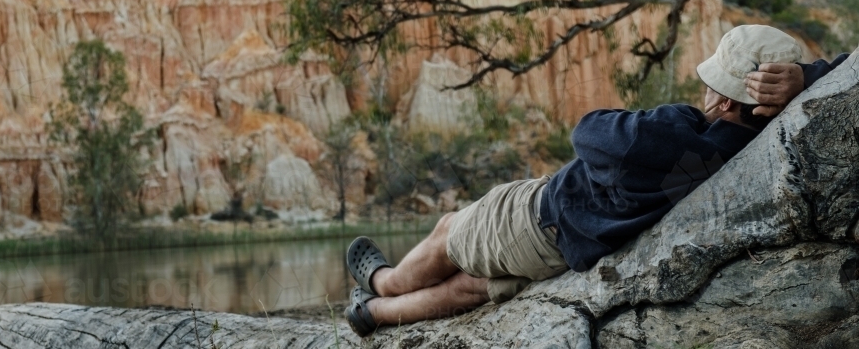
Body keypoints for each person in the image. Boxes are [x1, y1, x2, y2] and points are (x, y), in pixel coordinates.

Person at [344, 25, 850, 337]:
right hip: (574, 249)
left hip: (541, 215)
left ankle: (381, 283)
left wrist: (660, 117)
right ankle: (375, 317)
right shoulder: (749, 144)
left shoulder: (675, 133)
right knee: (473, 288)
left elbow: (587, 132)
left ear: (724, 99)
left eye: (713, 82)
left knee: (450, 233)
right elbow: (848, 71)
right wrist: (805, 79)